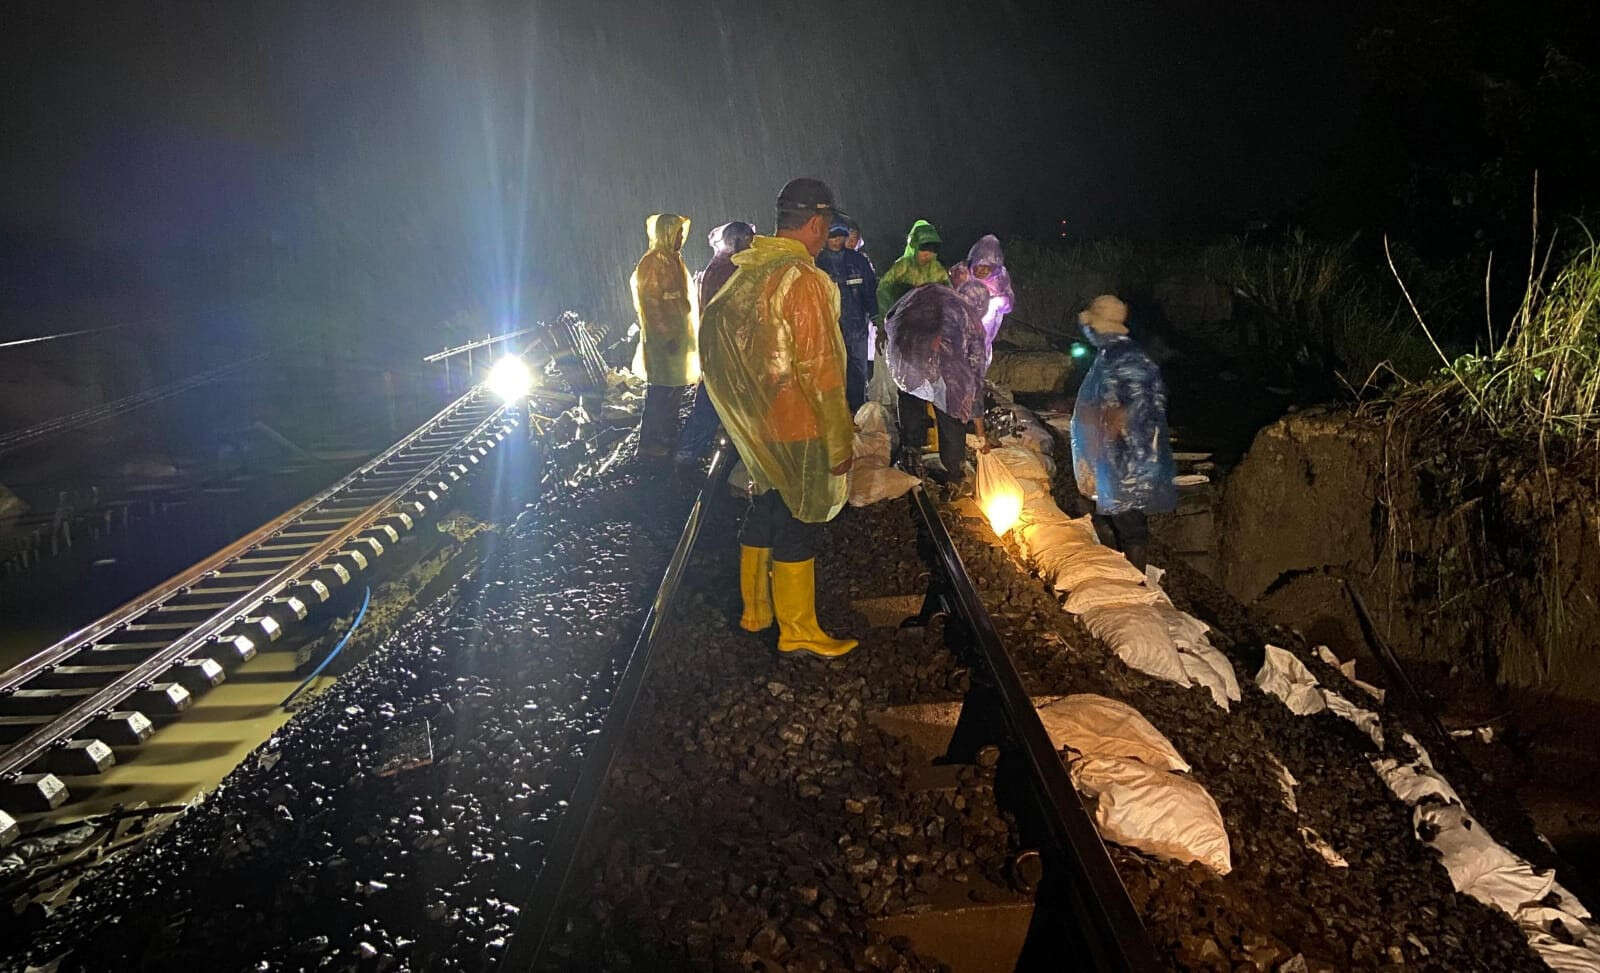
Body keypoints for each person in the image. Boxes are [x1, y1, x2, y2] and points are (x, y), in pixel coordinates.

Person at [700, 178, 857, 658]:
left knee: (766, 505)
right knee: (801, 517)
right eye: (826, 225)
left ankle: (756, 612)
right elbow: (821, 368)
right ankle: (798, 630)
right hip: (799, 421)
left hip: (758, 422)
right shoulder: (802, 280)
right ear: (815, 223)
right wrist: (839, 438)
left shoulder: (746, 273)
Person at [1069, 294, 1176, 572]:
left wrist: (1107, 434)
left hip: (1124, 452)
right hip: (1115, 451)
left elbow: (1132, 405)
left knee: (1128, 520)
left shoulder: (1122, 356)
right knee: (1107, 513)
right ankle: (1117, 567)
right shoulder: (1114, 353)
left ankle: (1135, 580)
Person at [884, 280, 993, 491]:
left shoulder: (931, 293)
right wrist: (981, 433)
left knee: (910, 395)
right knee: (951, 409)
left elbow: (891, 318)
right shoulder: (974, 324)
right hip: (941, 362)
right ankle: (955, 472)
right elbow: (975, 381)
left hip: (906, 354)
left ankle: (911, 450)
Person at [676, 221, 756, 469]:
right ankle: (692, 451)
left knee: (715, 398)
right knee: (714, 399)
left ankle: (696, 450)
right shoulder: (730, 269)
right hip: (726, 345)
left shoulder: (720, 265)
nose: (751, 245)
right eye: (746, 241)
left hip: (720, 345)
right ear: (734, 241)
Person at [629, 213, 697, 461]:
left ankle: (666, 435)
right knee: (660, 390)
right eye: (677, 233)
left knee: (675, 388)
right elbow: (651, 304)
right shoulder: (653, 263)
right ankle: (650, 443)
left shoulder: (672, 260)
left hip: (677, 336)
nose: (681, 238)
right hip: (664, 340)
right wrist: (666, 334)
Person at [814, 220, 878, 413]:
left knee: (857, 372)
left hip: (856, 327)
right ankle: (835, 414)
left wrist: (876, 319)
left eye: (841, 235)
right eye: (832, 236)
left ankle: (856, 412)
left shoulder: (858, 261)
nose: (837, 240)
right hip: (828, 328)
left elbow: (869, 291)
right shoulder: (817, 262)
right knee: (832, 371)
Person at [949, 234, 1015, 364]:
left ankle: (978, 373)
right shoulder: (963, 272)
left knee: (980, 352)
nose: (982, 271)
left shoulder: (1000, 278)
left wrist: (999, 301)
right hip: (964, 320)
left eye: (987, 268)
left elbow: (1009, 302)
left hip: (987, 325)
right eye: (978, 266)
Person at [876, 219, 950, 320]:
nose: (928, 253)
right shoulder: (902, 267)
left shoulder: (937, 270)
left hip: (930, 322)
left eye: (933, 248)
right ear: (914, 245)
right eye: (923, 247)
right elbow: (883, 290)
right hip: (905, 321)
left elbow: (951, 297)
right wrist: (888, 318)